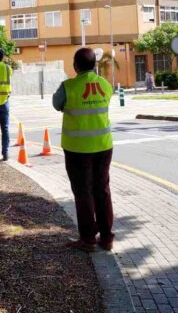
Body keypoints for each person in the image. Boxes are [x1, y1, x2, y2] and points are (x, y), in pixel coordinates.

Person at [53, 47, 114, 253]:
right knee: (102, 190)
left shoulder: (68, 87)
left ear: (75, 65)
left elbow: (56, 104)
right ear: (94, 65)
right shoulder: (105, 85)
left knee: (83, 192)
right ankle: (106, 238)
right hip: (104, 147)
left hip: (77, 149)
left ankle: (88, 240)